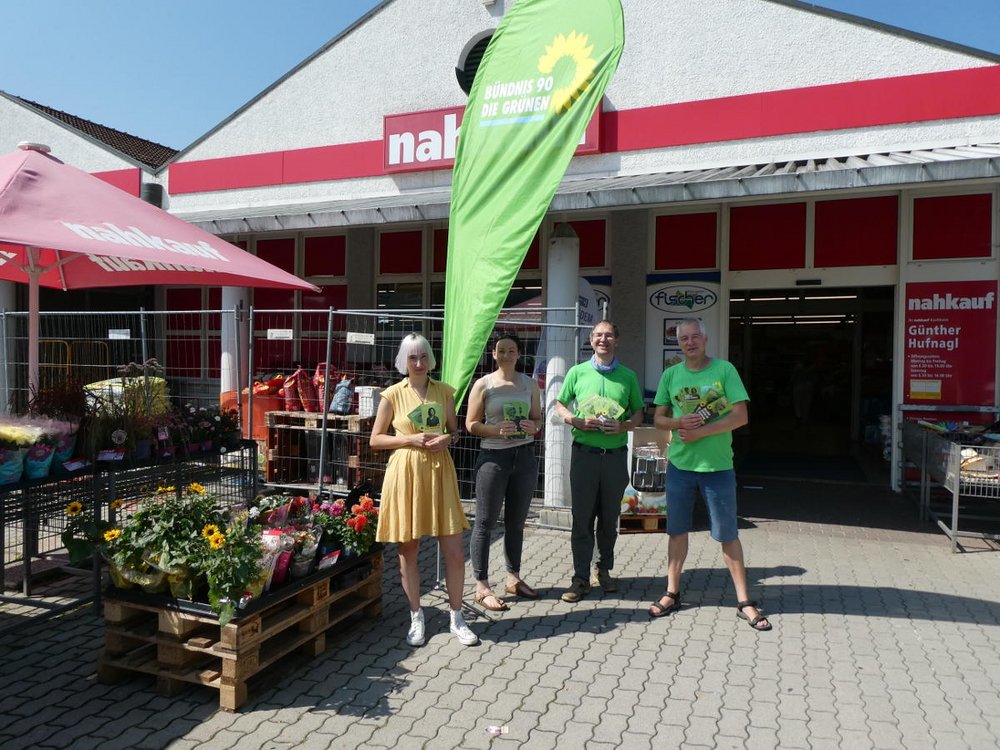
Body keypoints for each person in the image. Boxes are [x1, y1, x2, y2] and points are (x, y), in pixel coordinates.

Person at [649, 318, 771, 631]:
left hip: (717, 468)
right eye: (684, 339)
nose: (690, 343)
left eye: (695, 337)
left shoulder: (724, 370)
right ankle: (672, 592)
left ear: (705, 339)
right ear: (679, 344)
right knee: (677, 532)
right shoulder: (671, 374)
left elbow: (740, 416)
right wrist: (678, 424)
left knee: (727, 534)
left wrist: (701, 432)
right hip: (680, 467)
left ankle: (744, 601)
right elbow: (659, 418)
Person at [370, 333, 479, 647]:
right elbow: (376, 440)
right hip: (406, 473)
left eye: (423, 357)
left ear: (430, 359)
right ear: (404, 361)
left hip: (439, 471)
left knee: (455, 553)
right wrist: (409, 439)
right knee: (409, 550)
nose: (418, 363)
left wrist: (449, 438)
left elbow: (455, 431)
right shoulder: (391, 394)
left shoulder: (444, 392)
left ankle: (457, 616)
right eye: (412, 357)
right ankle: (416, 615)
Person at [554, 320, 644, 602]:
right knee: (582, 519)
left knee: (609, 519)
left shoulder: (628, 376)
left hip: (615, 458)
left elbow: (639, 414)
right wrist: (574, 419)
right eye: (598, 335)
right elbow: (559, 405)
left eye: (608, 335)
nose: (602, 340)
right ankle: (580, 578)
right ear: (591, 340)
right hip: (585, 456)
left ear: (616, 340)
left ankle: (603, 570)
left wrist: (624, 427)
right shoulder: (577, 372)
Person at [465, 331, 542, 611]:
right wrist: (495, 429)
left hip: (523, 457)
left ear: (519, 354)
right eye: (501, 350)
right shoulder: (483, 385)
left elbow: (537, 418)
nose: (507, 354)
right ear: (494, 354)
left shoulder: (529, 384)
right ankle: (481, 585)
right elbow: (471, 424)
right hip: (493, 458)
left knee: (516, 522)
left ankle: (513, 578)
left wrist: (534, 426)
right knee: (484, 522)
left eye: (512, 350)